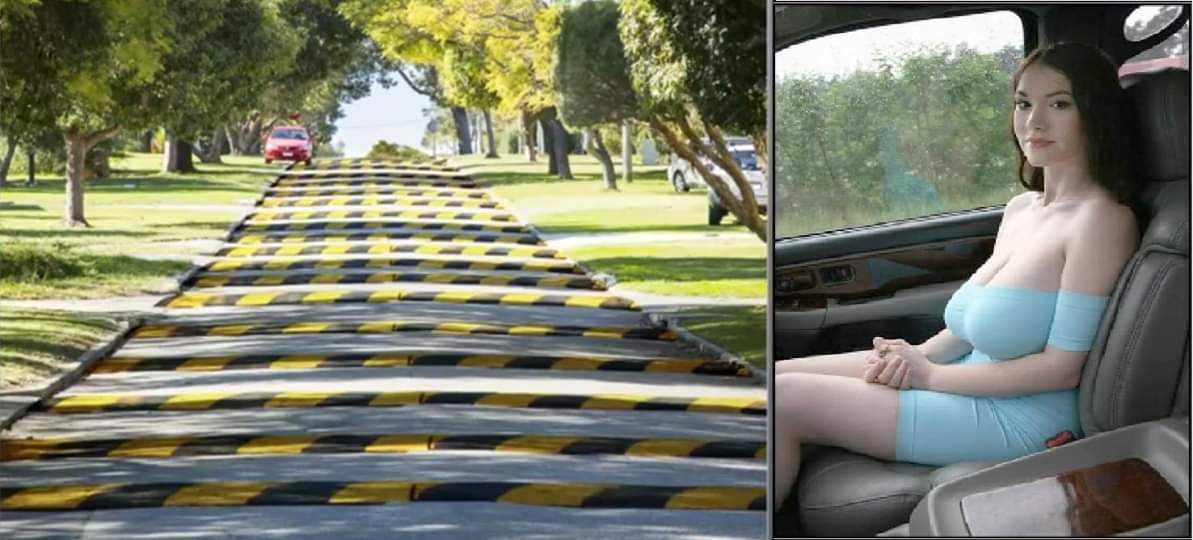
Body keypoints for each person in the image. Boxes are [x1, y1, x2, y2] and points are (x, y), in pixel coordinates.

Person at [773, 42, 1140, 507]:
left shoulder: (1103, 221)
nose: (1034, 121)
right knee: (772, 375)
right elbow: (962, 335)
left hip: (1023, 418)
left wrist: (928, 376)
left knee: (783, 401)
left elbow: (1062, 369)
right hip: (961, 380)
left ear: (1095, 113)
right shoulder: (1022, 209)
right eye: (1024, 103)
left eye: (1060, 104)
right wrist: (914, 355)